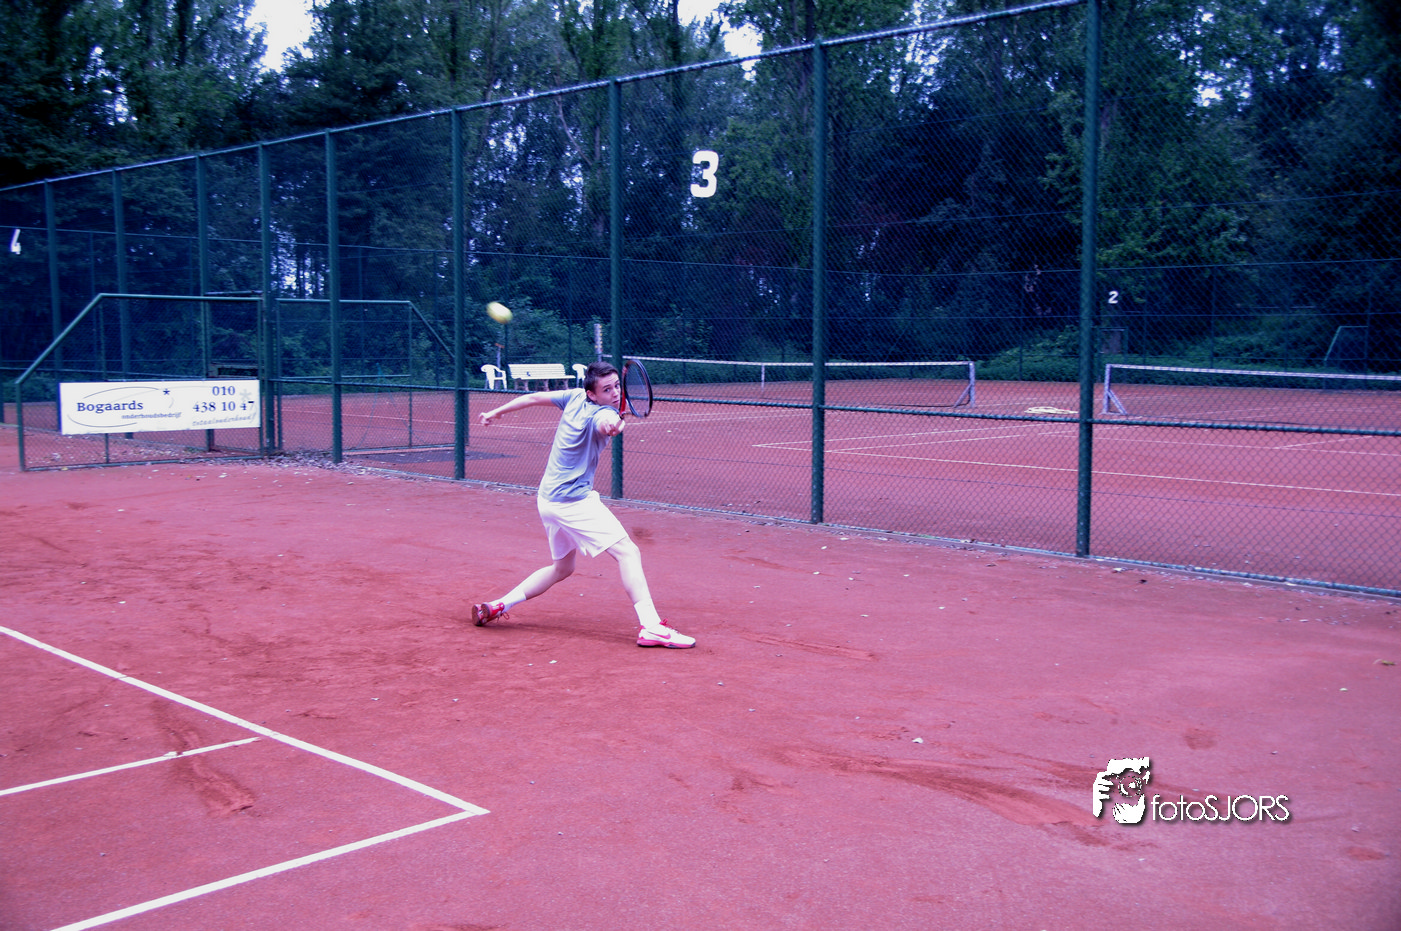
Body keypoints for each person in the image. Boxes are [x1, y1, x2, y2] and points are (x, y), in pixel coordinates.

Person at [471, 361, 695, 648]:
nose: (615, 393)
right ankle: (651, 627)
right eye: (607, 389)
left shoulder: (574, 396)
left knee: (562, 568)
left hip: (547, 499)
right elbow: (605, 424)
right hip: (571, 502)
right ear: (592, 394)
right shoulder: (602, 413)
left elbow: (532, 398)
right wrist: (612, 426)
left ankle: (498, 605)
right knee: (628, 552)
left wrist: (496, 412)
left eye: (617, 386)